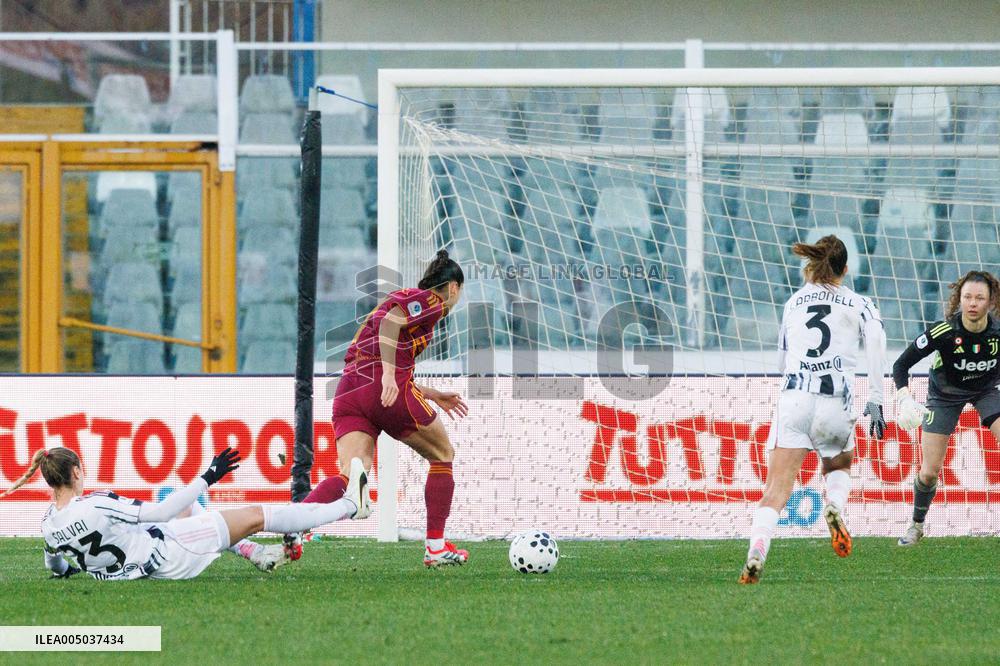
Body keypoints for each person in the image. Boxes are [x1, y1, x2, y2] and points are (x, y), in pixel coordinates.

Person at [299, 249, 469, 567]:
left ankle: (295, 527)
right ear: (454, 287)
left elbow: (385, 347)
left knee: (350, 474)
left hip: (350, 387)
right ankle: (435, 547)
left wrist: (432, 394)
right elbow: (390, 325)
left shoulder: (402, 298)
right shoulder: (432, 301)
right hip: (382, 384)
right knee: (443, 454)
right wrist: (389, 374)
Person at [739, 235, 887, 584]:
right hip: (836, 400)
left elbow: (780, 360)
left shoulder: (794, 302)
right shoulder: (859, 303)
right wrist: (877, 398)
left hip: (794, 399)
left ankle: (757, 551)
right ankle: (834, 504)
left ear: (812, 266)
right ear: (846, 269)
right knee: (839, 461)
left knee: (776, 488)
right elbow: (877, 342)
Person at [1, 446, 369, 580]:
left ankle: (255, 553)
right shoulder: (96, 502)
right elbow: (160, 510)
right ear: (76, 472)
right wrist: (208, 475)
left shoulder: (49, 524)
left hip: (136, 563)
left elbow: (56, 566)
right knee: (259, 514)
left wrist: (69, 571)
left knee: (195, 516)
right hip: (167, 557)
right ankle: (350, 506)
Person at [892, 270, 1000, 546]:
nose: (972, 303)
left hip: (986, 390)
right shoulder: (944, 331)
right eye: (967, 297)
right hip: (944, 395)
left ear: (990, 301)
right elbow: (901, 364)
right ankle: (916, 526)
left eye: (979, 298)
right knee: (929, 471)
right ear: (959, 299)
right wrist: (904, 397)